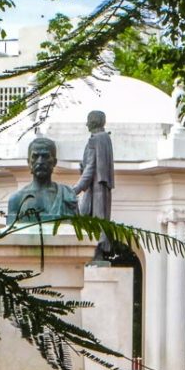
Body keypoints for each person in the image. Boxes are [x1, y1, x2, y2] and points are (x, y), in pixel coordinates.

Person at [6, 136, 79, 224]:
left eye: (45, 156)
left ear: (54, 162)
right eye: (35, 156)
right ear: (29, 162)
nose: (40, 162)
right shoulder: (16, 200)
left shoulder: (68, 196)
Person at [73, 110, 115, 261]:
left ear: (94, 121)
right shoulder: (105, 138)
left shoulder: (95, 140)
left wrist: (75, 189)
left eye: (88, 120)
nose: (86, 124)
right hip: (102, 187)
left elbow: (90, 169)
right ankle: (96, 252)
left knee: (85, 218)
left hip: (94, 188)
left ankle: (94, 252)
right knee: (100, 218)